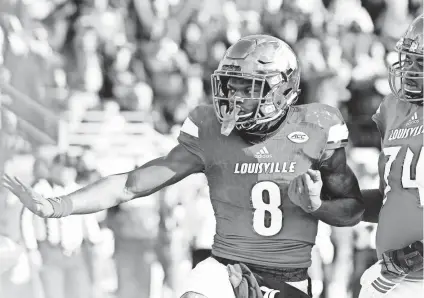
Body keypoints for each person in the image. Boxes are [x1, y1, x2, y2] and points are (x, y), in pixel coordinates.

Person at [3, 35, 364, 298]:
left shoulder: (318, 126)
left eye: (249, 87)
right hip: (225, 269)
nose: (236, 98)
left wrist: (317, 206)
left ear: (283, 91)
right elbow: (131, 184)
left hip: (288, 279)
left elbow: (352, 210)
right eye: (232, 85)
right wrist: (60, 205)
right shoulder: (209, 130)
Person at [357, 14, 424, 298]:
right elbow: (392, 196)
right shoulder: (393, 109)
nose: (408, 70)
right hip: (394, 273)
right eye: (407, 60)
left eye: (419, 63)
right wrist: (329, 201)